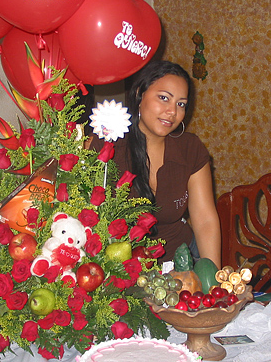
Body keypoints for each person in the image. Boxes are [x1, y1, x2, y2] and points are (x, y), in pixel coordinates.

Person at [90, 60, 221, 268]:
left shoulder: (190, 148)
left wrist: (213, 278)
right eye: (164, 98)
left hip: (183, 261)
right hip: (120, 268)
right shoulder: (109, 143)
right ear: (139, 94)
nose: (172, 112)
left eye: (181, 104)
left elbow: (204, 220)